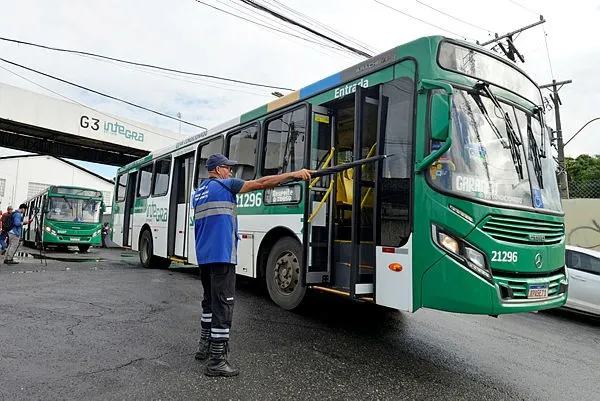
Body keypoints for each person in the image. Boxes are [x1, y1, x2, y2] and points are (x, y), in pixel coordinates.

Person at [192, 154, 311, 377]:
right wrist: (294, 174)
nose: (231, 172)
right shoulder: (225, 185)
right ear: (218, 170)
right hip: (222, 256)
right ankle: (217, 361)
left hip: (204, 257)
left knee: (209, 302)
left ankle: (204, 347)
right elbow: (262, 183)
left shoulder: (198, 193)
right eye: (228, 168)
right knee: (223, 305)